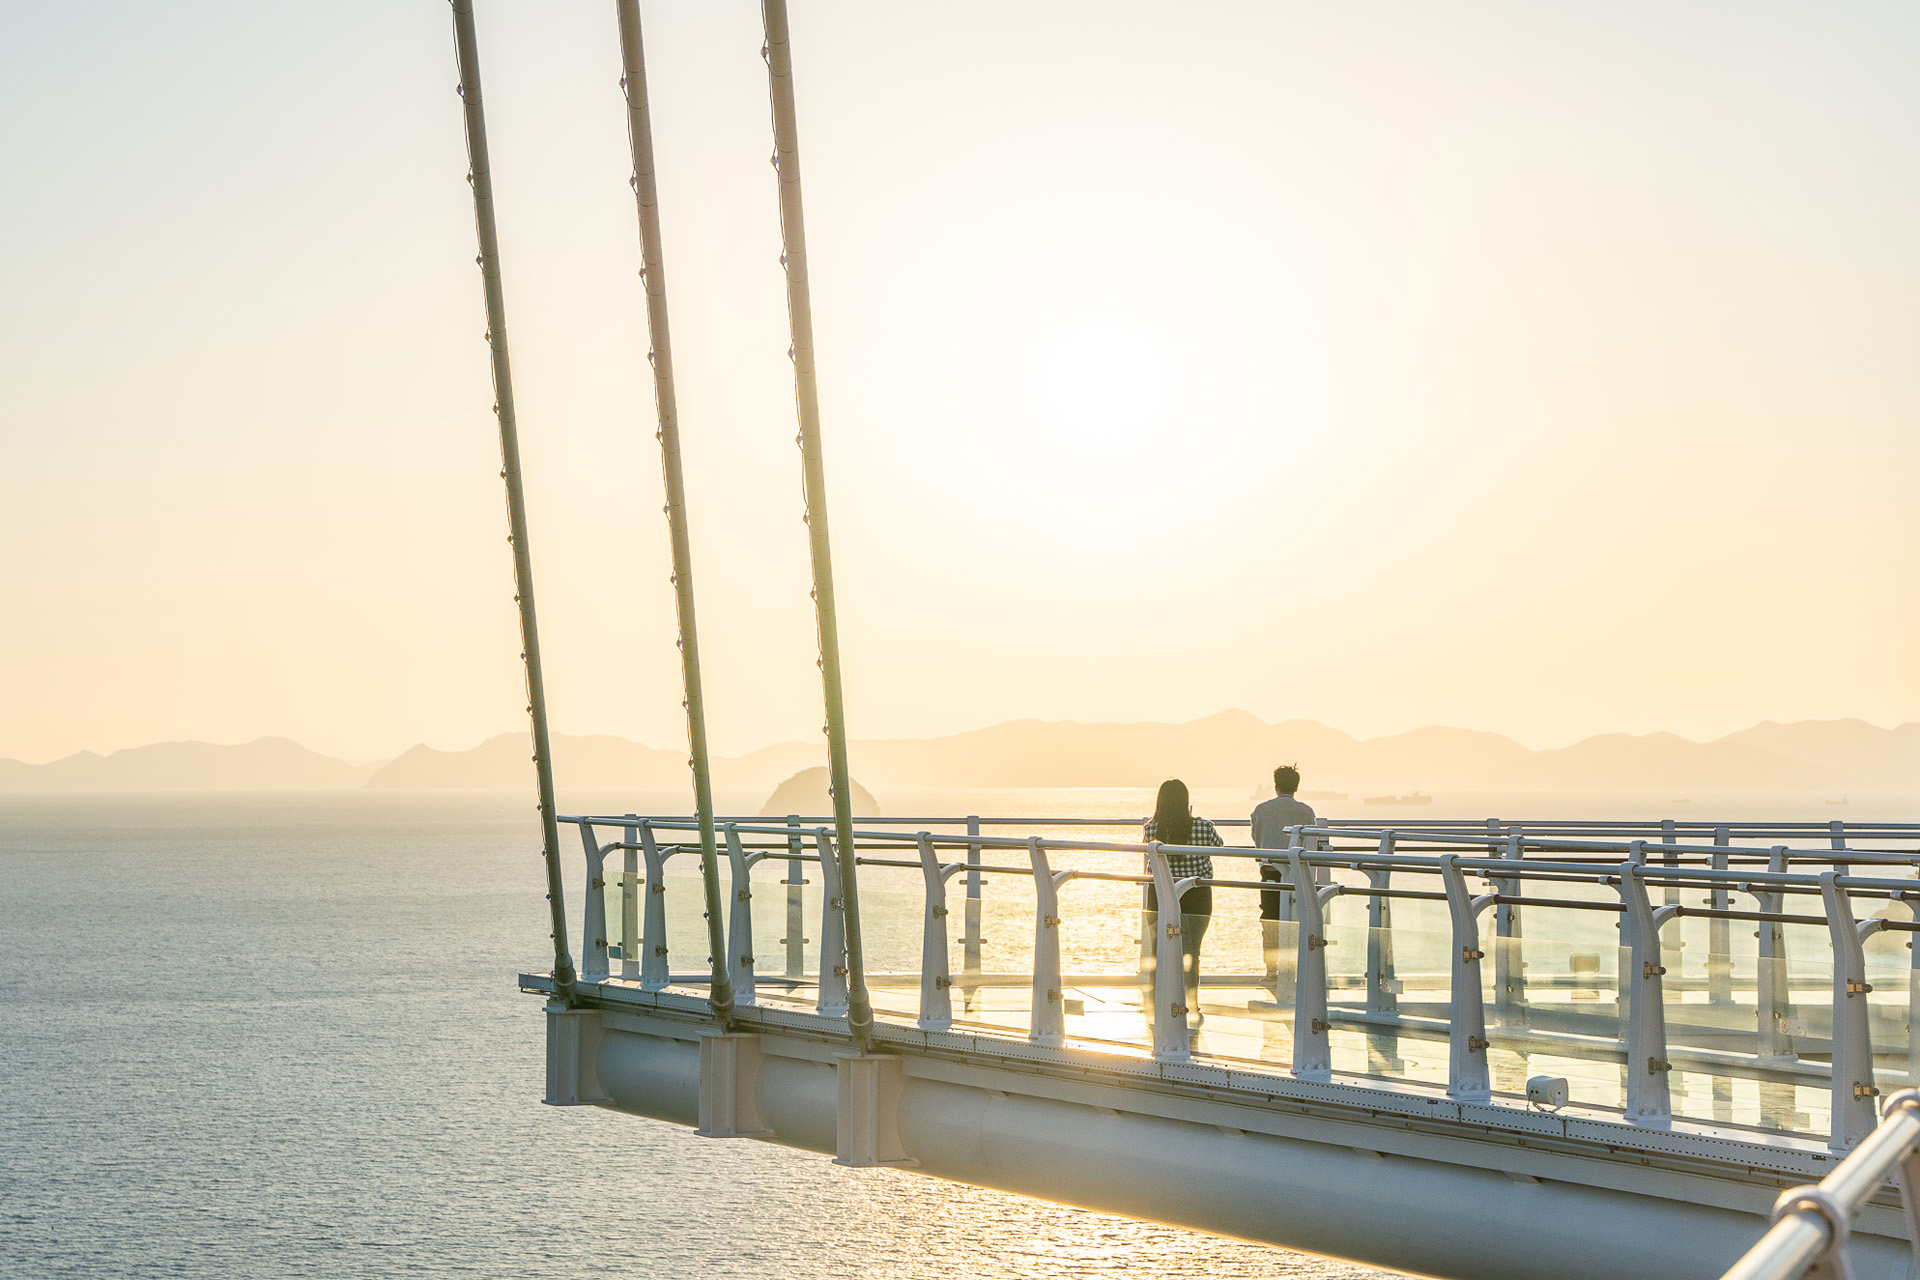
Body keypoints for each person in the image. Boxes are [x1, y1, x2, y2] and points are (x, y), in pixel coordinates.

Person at [1142, 778, 1223, 1026]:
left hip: (1160, 894)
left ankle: (1156, 1005)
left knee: (1159, 951)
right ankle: (1191, 1006)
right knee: (1191, 953)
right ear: (1187, 802)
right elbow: (1219, 846)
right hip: (1197, 895)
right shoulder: (1204, 827)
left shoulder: (1151, 828)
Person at [1251, 765, 1317, 984]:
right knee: (1297, 919)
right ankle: (1297, 969)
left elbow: (1257, 838)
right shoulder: (1306, 812)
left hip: (1270, 871)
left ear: (1275, 785)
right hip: (1297, 873)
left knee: (1270, 918)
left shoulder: (1261, 810)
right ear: (1296, 786)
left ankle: (1272, 970)